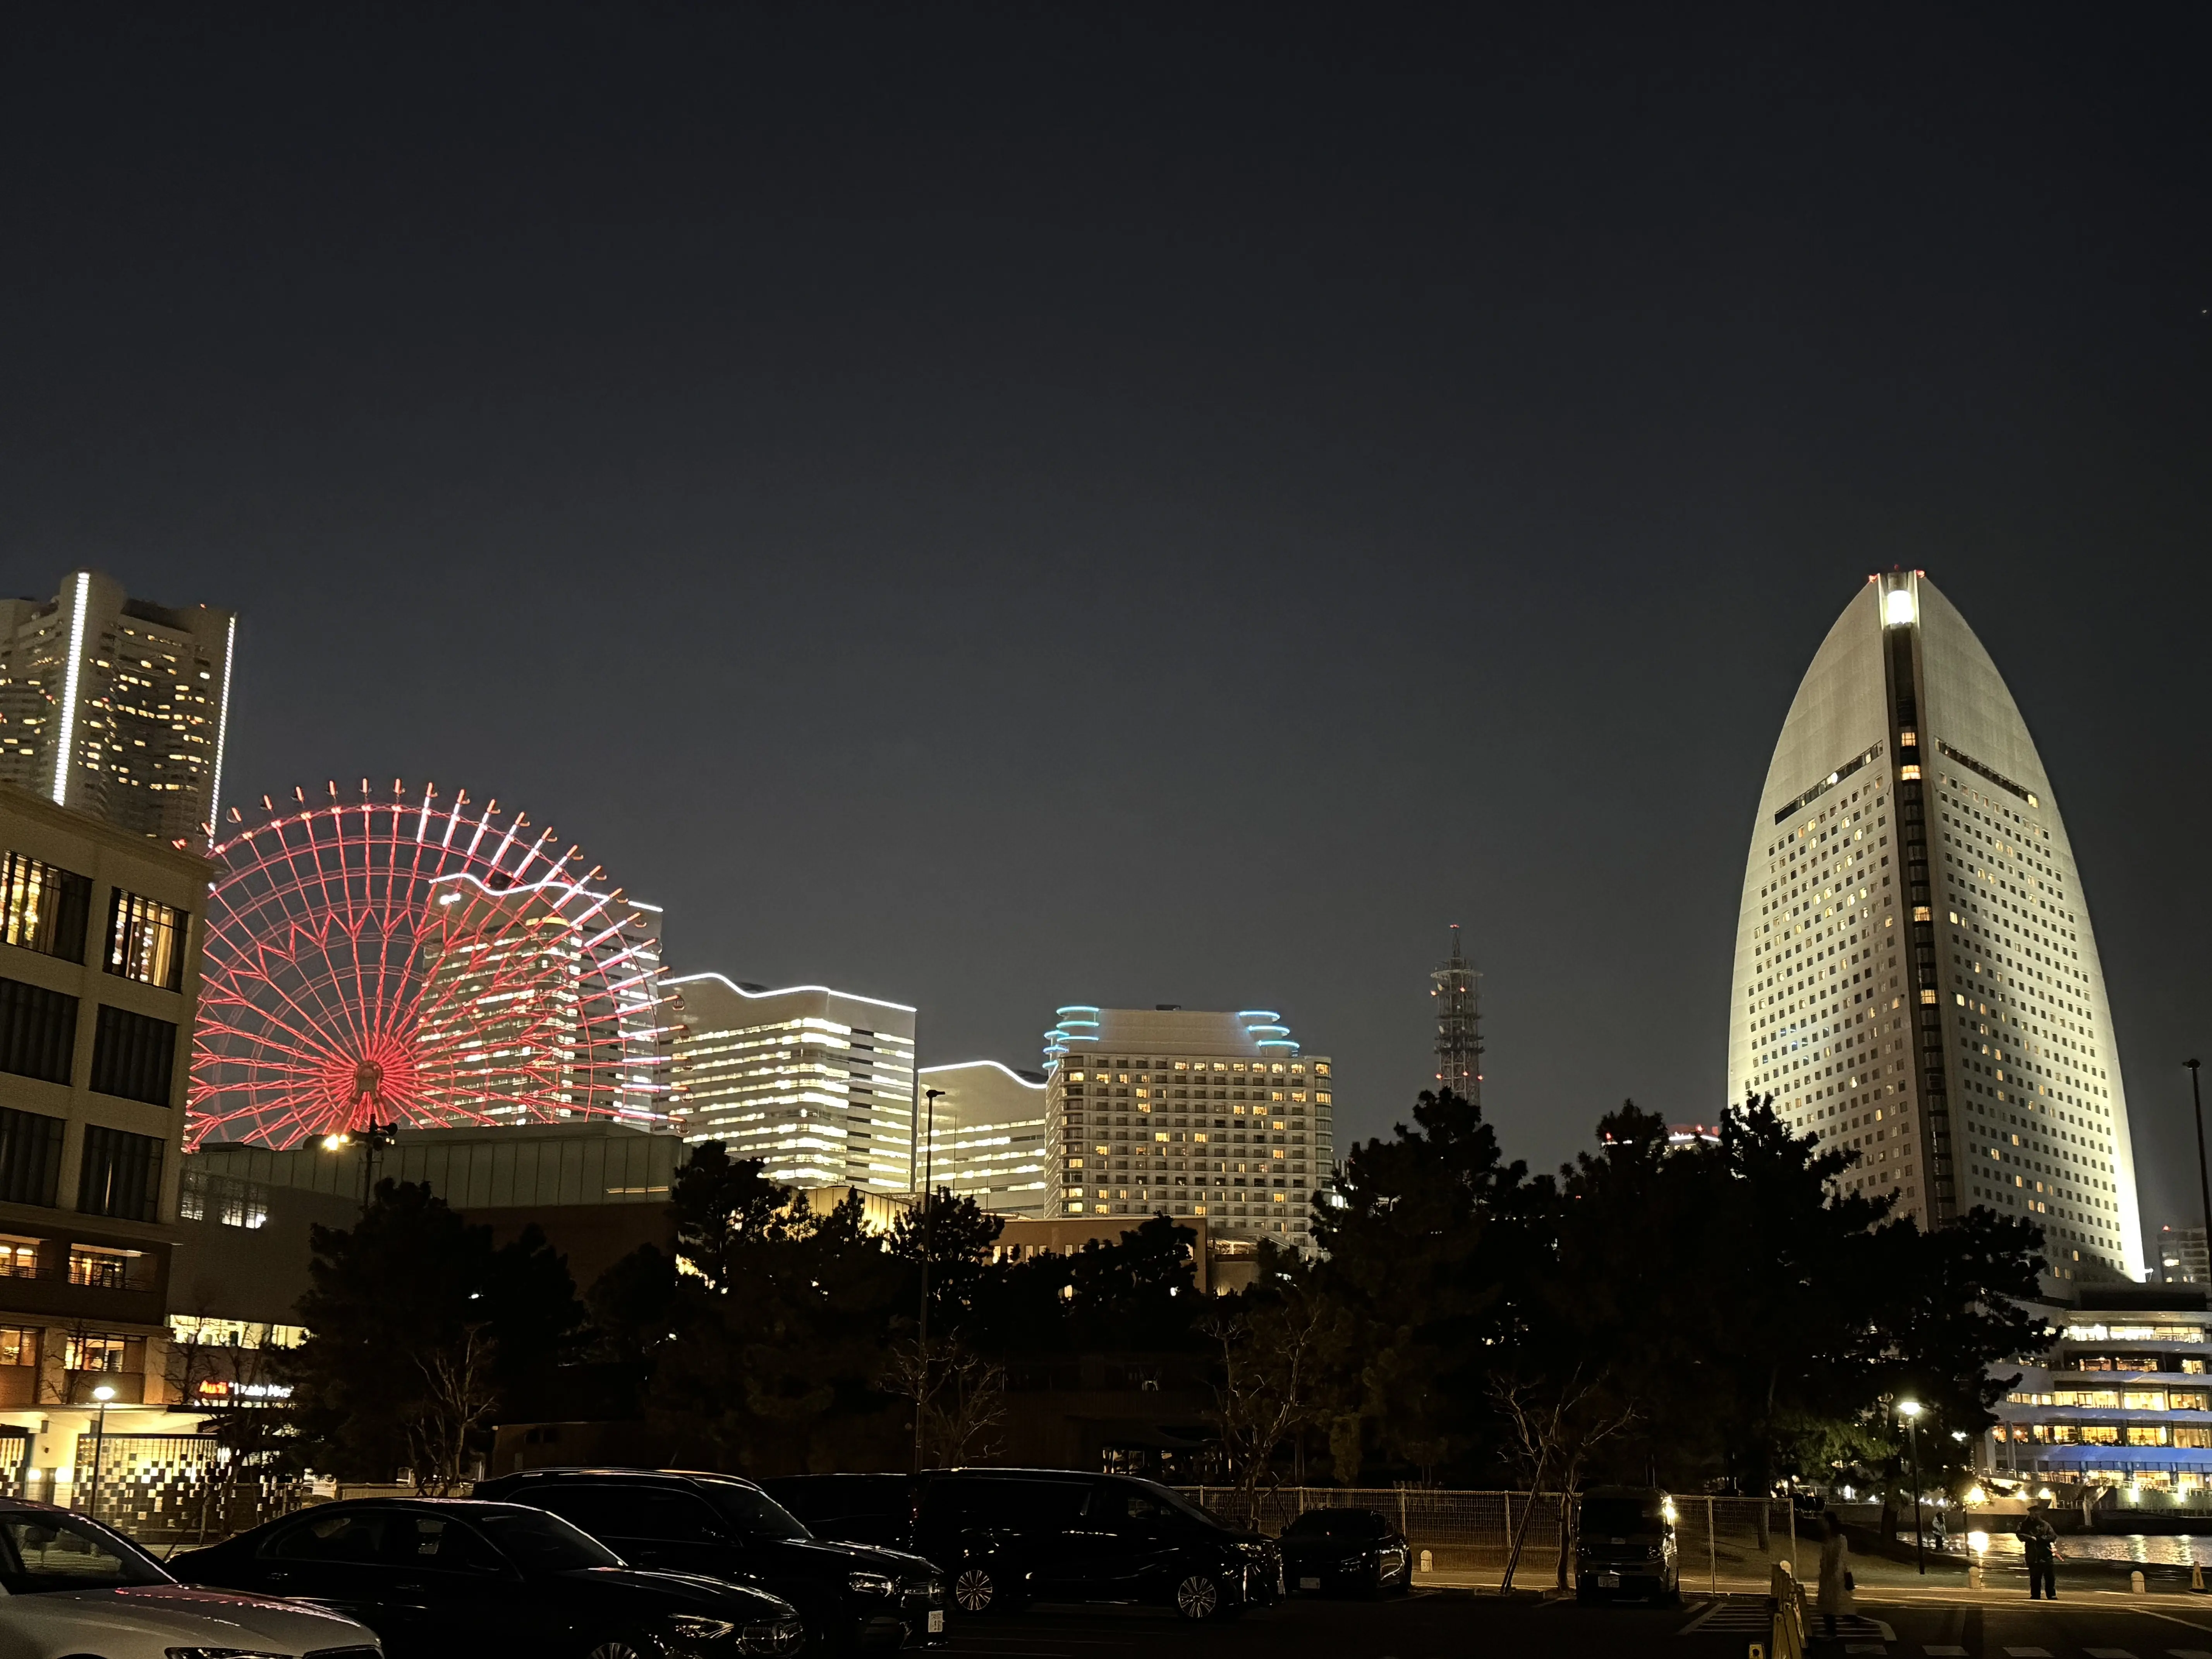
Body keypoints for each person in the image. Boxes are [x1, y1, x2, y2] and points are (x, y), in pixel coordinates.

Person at [1817, 1512, 1853, 1638]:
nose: (1821, 1524)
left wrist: (1836, 1576)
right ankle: (1832, 1629)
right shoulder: (1829, 1540)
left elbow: (1841, 1560)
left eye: (1824, 1522)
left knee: (1835, 1604)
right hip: (1829, 1576)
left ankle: (1833, 1630)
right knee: (1830, 1605)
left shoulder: (1839, 1540)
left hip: (1836, 1577)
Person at [2021, 1500, 2059, 1600]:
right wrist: (2030, 1538)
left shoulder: (2046, 1525)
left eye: (2036, 1513)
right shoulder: (2025, 1525)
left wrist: (2042, 1539)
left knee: (2049, 1576)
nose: (2034, 1515)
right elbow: (2020, 1535)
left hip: (2046, 1555)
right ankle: (2035, 1595)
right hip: (2033, 1555)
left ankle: (2051, 1594)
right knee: (2035, 1577)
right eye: (2033, 1513)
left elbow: (2053, 1536)